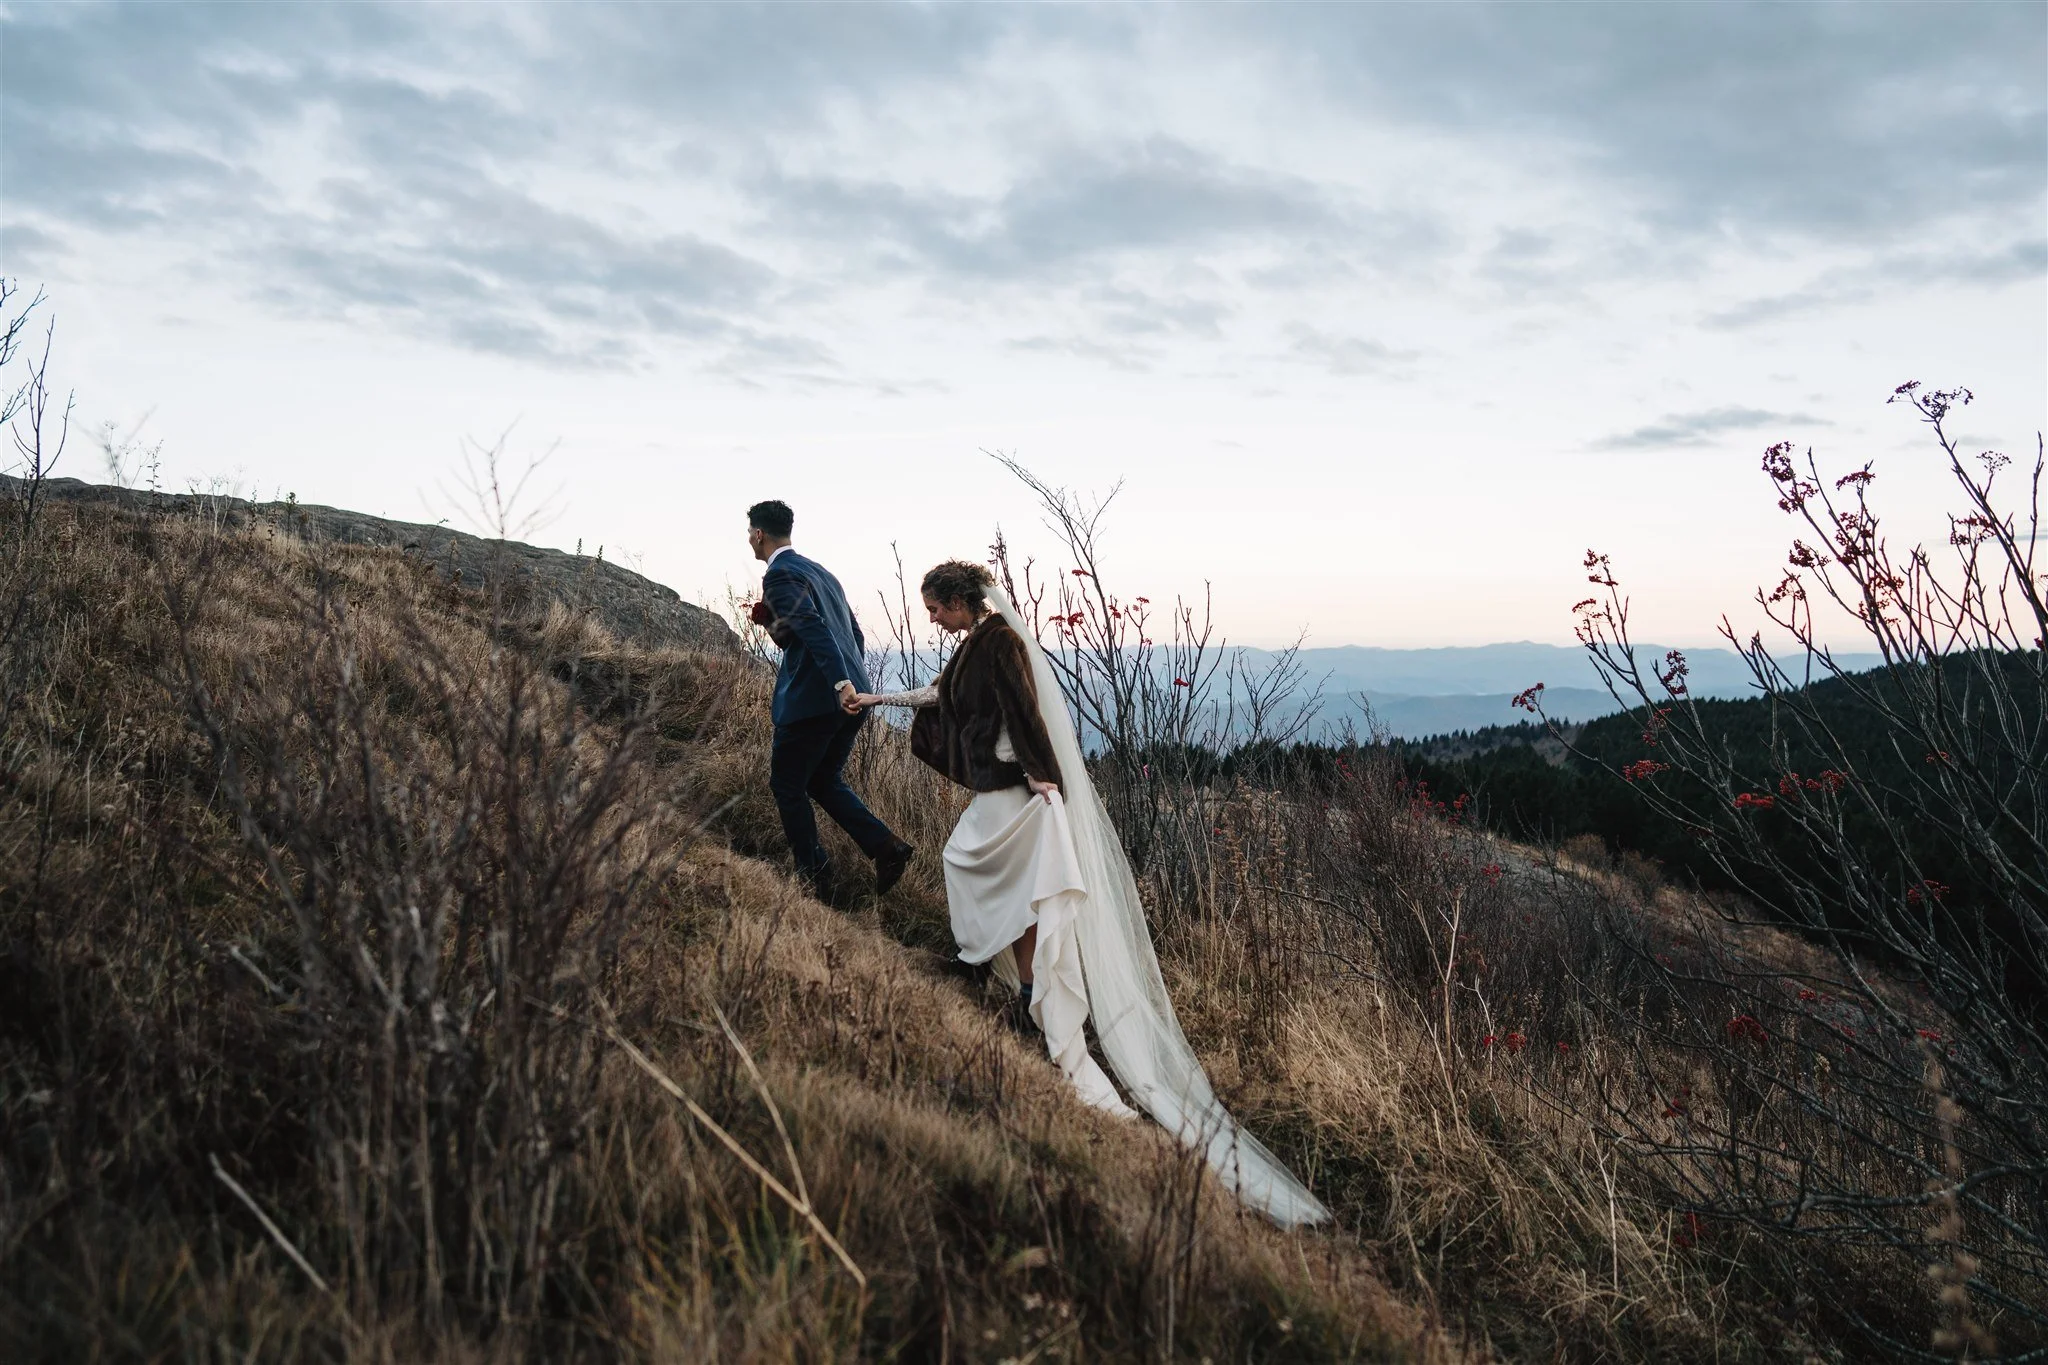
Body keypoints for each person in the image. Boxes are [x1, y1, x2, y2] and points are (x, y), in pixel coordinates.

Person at [854, 561, 1329, 1228]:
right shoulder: (973, 645)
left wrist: (1045, 776)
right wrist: (876, 703)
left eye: (936, 607)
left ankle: (1005, 983)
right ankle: (1021, 989)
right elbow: (937, 695)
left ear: (963, 602)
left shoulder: (1005, 645)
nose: (931, 617)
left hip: (1016, 793)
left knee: (972, 867)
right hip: (1002, 790)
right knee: (999, 886)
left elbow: (1025, 711)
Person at [747, 500, 913, 902]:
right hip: (854, 694)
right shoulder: (821, 573)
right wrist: (771, 623)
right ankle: (886, 847)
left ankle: (814, 878)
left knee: (787, 784)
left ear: (758, 534)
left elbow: (816, 631)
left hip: (819, 699)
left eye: (749, 534)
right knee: (821, 780)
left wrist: (839, 685)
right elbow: (845, 635)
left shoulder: (780, 574)